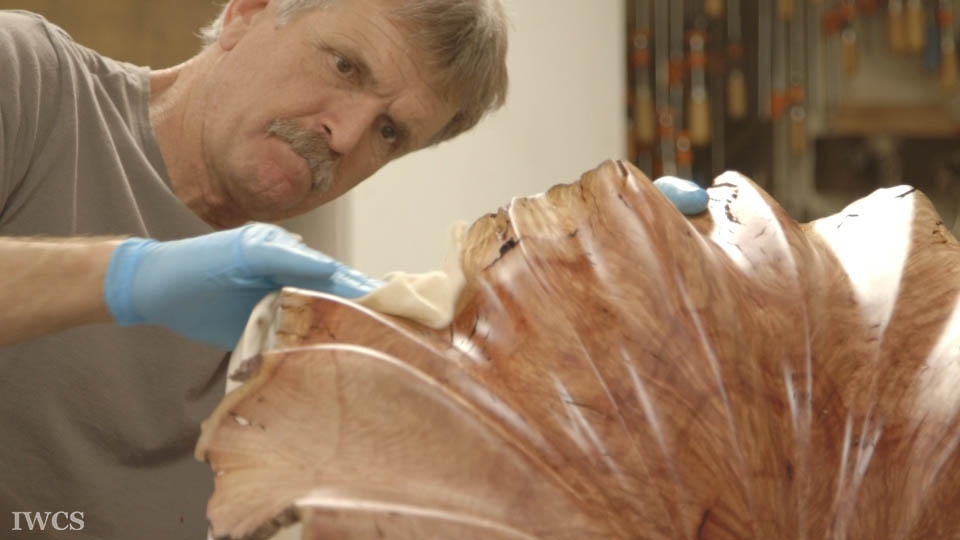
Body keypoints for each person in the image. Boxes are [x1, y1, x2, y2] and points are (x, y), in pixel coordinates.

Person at [0, 0, 705, 537]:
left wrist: (592, 304)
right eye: (345, 66)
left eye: (390, 132)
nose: (344, 134)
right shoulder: (28, 82)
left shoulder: (302, 323)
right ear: (248, 12)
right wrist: (130, 279)